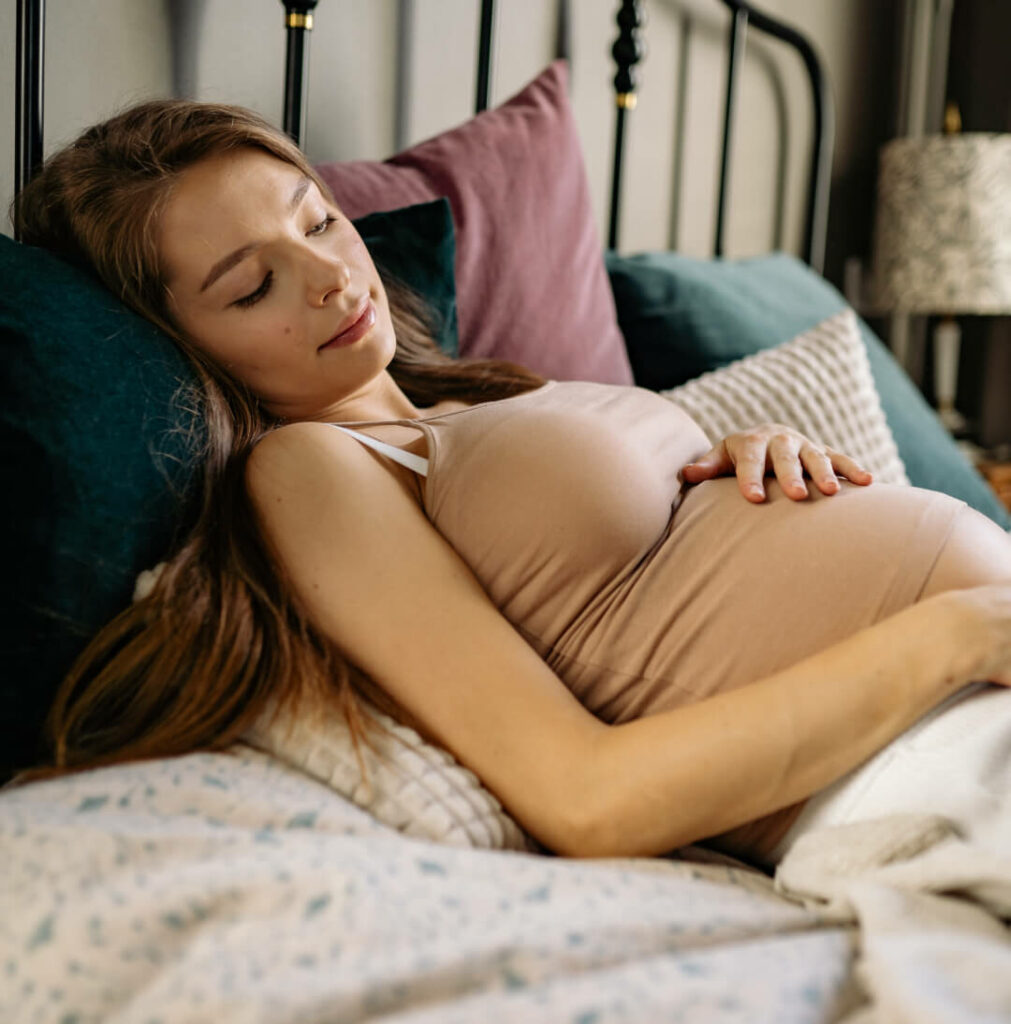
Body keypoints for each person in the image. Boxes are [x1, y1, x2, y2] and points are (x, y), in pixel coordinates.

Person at [13, 100, 1011, 868]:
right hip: (921, 745)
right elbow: (584, 796)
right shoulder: (310, 469)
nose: (326, 277)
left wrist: (755, 447)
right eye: (250, 285)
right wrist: (949, 633)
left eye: (317, 222)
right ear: (181, 347)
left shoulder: (485, 397)